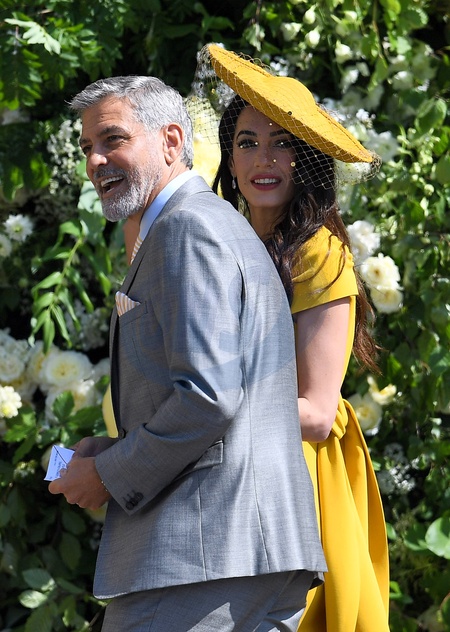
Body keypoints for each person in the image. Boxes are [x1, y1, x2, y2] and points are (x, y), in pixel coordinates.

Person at [48, 75, 327, 631]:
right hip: (237, 554)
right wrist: (109, 451)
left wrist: (109, 474)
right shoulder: (206, 224)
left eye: (113, 139)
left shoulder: (187, 229)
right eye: (87, 148)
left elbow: (207, 397)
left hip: (204, 556)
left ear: (172, 140)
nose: (95, 161)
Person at [198, 44, 390, 631]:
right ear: (230, 160)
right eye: (247, 142)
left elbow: (316, 413)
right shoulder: (227, 241)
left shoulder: (318, 251)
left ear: (306, 160)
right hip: (235, 470)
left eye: (283, 143)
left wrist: (197, 414)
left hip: (295, 481)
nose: (264, 159)